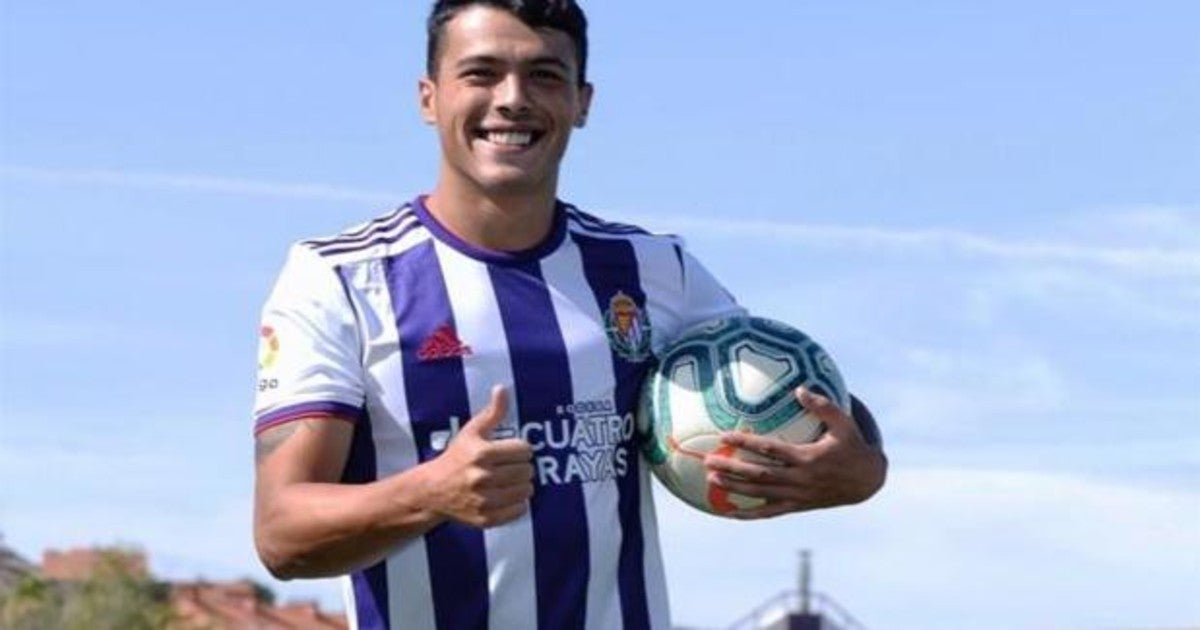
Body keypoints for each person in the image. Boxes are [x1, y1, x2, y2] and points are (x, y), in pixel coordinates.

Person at [251, 1, 887, 629]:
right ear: (428, 97)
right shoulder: (339, 279)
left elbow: (810, 411)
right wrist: (429, 491)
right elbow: (282, 533)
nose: (512, 99)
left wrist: (861, 469)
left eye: (544, 76)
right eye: (481, 73)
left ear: (582, 102)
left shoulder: (654, 271)